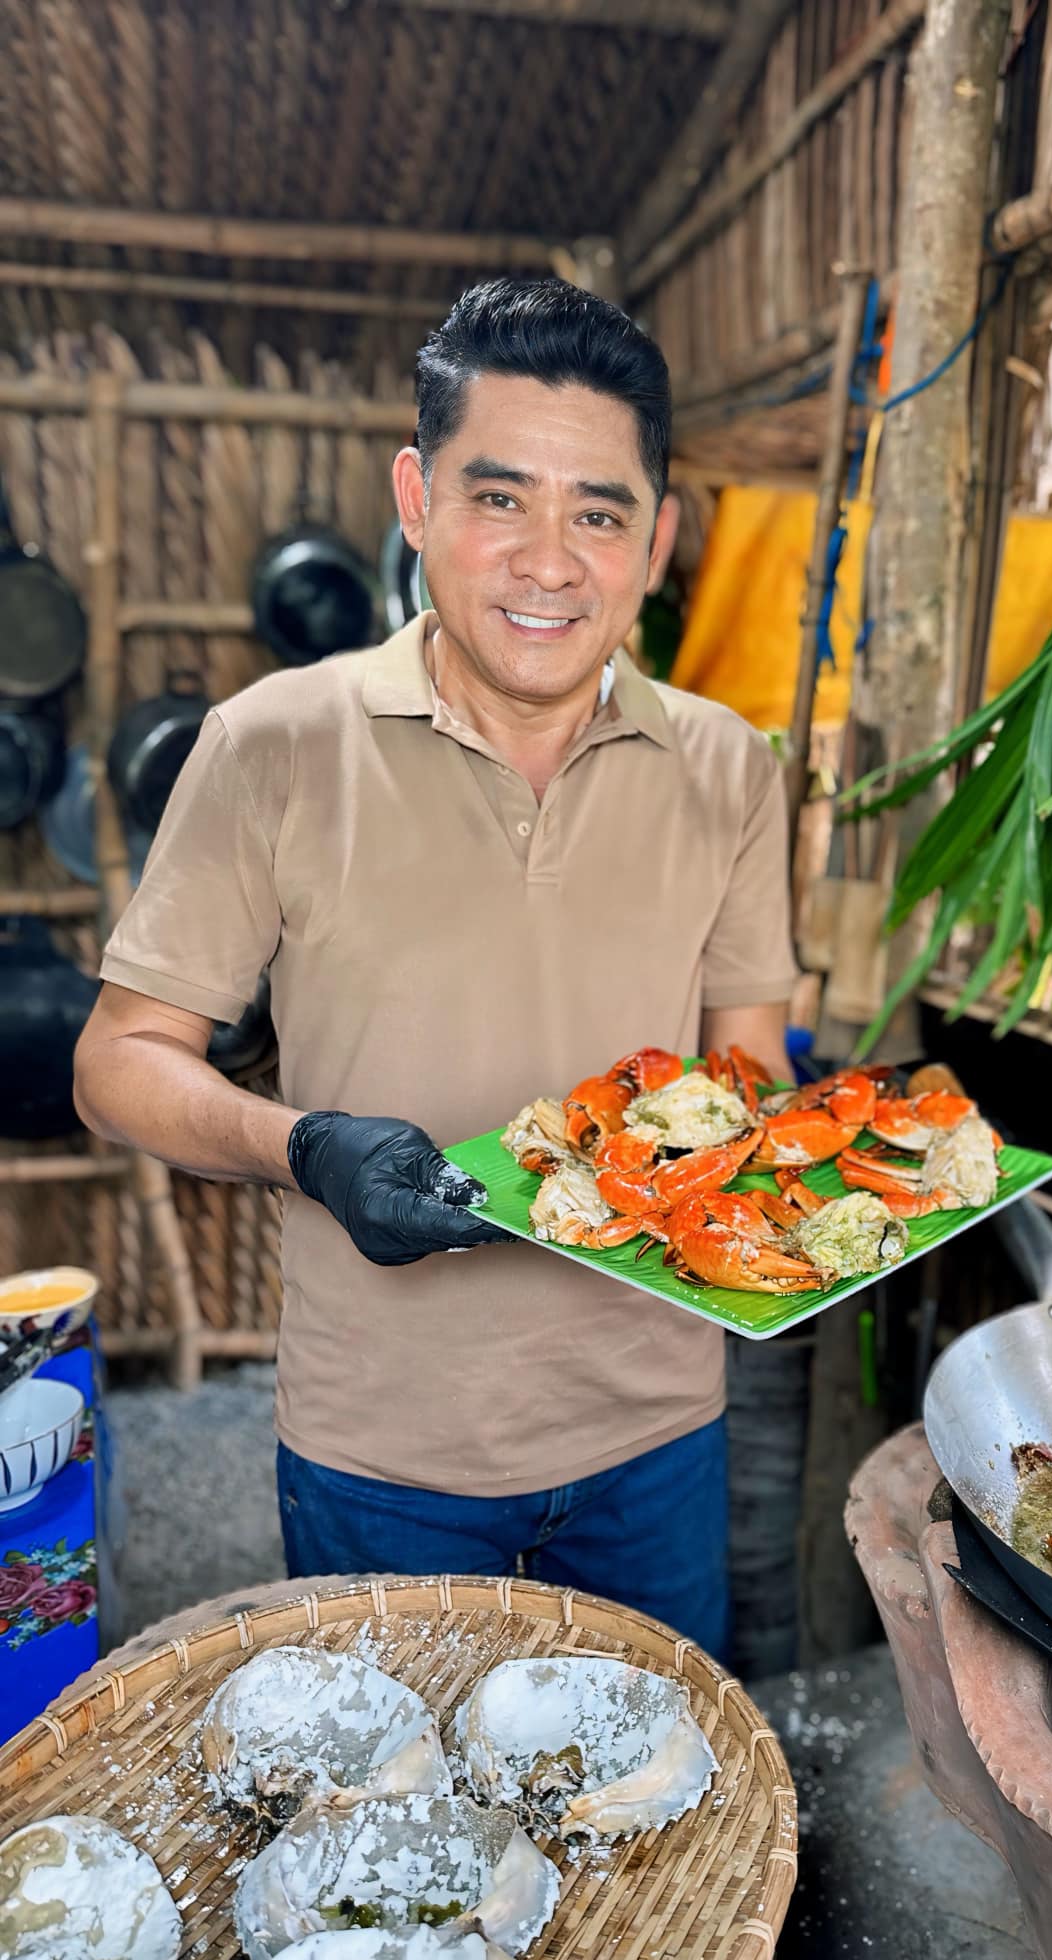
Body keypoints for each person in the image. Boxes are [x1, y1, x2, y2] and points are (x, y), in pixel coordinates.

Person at [73, 279, 798, 1665]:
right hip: (379, 1455)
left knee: (654, 1849)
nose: (549, 562)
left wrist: (828, 1173)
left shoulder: (730, 767)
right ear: (415, 498)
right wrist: (310, 1149)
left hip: (659, 1434)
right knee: (397, 1856)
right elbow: (115, 1063)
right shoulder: (271, 744)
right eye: (498, 499)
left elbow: (748, 1065)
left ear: (662, 533)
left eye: (600, 511)